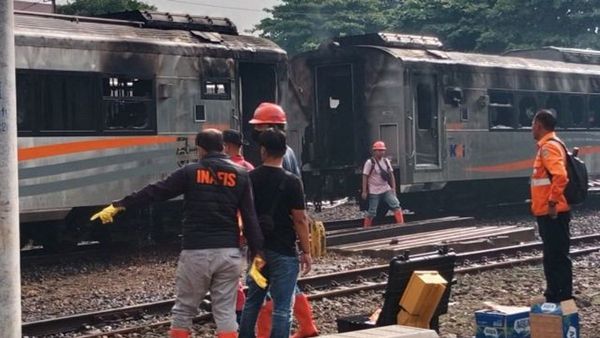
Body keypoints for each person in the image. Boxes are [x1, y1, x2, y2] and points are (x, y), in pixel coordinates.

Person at [90, 129, 264, 338]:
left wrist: (120, 205)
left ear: (200, 149)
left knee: (184, 310)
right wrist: (258, 255)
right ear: (223, 147)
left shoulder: (190, 172)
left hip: (196, 252)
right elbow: (251, 218)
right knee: (225, 312)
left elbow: (156, 191)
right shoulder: (241, 175)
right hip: (229, 253)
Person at [248, 103, 318, 338]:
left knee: (263, 295)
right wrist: (304, 248)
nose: (256, 132)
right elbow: (298, 212)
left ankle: (267, 333)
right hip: (282, 246)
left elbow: (294, 211)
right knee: (283, 291)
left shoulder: (260, 171)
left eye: (260, 127)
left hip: (263, 247)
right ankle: (305, 326)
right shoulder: (287, 159)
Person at [530, 109, 572, 302]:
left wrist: (552, 202)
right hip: (550, 210)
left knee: (555, 255)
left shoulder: (548, 147)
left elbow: (561, 176)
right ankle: (557, 293)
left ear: (539, 125)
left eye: (532, 124)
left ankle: (558, 295)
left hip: (552, 212)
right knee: (554, 254)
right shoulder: (552, 145)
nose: (531, 128)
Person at [249, 102, 300, 176]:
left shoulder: (273, 156)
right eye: (255, 126)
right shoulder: (288, 151)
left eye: (260, 126)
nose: (255, 129)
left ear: (273, 128)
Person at [361, 141, 404, 228]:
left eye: (383, 150)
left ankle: (401, 225)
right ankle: (366, 228)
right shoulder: (370, 162)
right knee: (372, 211)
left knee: (396, 205)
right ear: (375, 151)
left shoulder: (386, 161)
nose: (381, 152)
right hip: (374, 190)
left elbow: (391, 175)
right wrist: (364, 191)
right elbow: (365, 176)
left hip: (385, 189)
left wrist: (393, 188)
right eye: (379, 150)